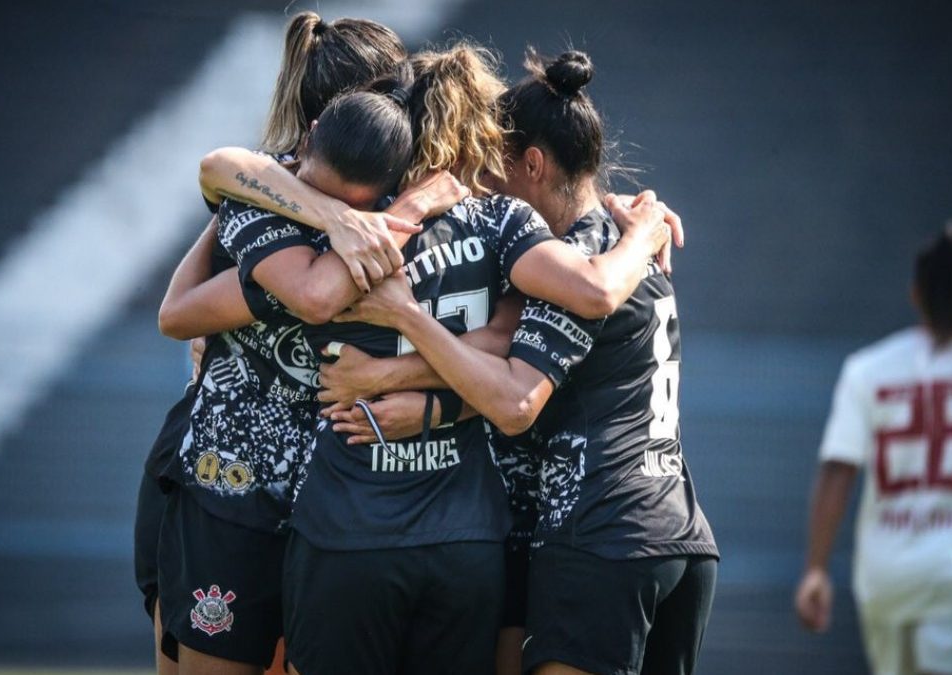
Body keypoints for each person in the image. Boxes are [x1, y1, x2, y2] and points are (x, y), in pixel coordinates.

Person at [187, 45, 677, 675]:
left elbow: (189, 297)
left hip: (345, 530)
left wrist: (392, 370)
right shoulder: (505, 225)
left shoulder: (353, 221)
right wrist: (641, 227)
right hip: (468, 538)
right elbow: (518, 344)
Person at [333, 49, 719, 675]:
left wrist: (399, 344)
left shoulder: (584, 264)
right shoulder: (621, 246)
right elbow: (502, 349)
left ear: (533, 164)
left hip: (602, 536)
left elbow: (515, 396)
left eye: (496, 167)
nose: (486, 186)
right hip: (677, 533)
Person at [137, 11, 447, 675]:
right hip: (232, 492)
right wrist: (338, 217)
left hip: (343, 506)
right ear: (324, 125)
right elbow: (279, 290)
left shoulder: (408, 195)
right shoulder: (270, 190)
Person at [795, 223, 952, 675]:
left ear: (916, 293)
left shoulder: (870, 369)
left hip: (887, 578)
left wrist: (816, 568)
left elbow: (839, 469)